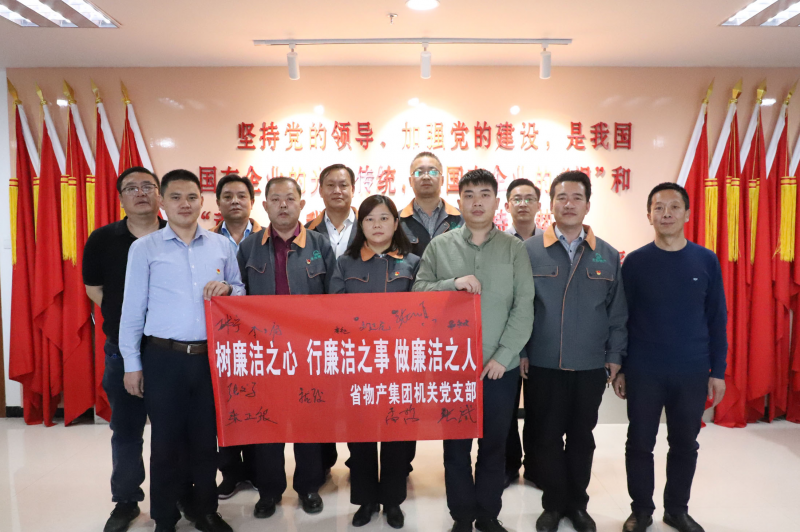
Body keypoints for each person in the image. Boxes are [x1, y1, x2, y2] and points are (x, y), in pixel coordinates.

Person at [119, 169, 244, 532]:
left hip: (209, 359)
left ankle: (205, 510)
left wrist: (228, 289)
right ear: (162, 202)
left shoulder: (222, 246)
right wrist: (132, 364)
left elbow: (240, 290)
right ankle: (165, 517)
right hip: (163, 359)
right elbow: (132, 310)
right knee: (166, 443)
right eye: (175, 197)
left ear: (202, 202)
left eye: (191, 197)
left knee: (206, 440)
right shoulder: (145, 248)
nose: (184, 204)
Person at [414, 169, 535, 532]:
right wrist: (451, 283)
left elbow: (524, 306)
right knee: (455, 449)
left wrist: (504, 355)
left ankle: (488, 514)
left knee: (494, 446)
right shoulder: (440, 246)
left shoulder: (514, 249)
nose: (477, 202)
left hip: (500, 369)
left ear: (497, 202)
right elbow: (418, 291)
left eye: (484, 195)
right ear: (459, 202)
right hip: (452, 367)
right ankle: (462, 516)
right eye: (469, 195)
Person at [613, 183, 726, 532]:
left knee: (685, 444)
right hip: (644, 370)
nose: (666, 214)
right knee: (639, 443)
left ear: (687, 214)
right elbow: (622, 318)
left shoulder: (706, 260)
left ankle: (676, 510)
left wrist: (718, 371)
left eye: (674, 207)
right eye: (658, 207)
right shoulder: (635, 262)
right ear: (649, 215)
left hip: (692, 370)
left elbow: (717, 318)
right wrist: (621, 366)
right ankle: (641, 511)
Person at [523, 171, 627, 532]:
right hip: (543, 362)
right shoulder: (529, 250)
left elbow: (618, 313)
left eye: (576, 197)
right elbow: (520, 307)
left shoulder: (606, 254)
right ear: (551, 204)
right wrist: (521, 351)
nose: (569, 204)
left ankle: (578, 505)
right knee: (547, 437)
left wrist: (614, 356)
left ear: (587, 204)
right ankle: (553, 505)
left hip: (589, 364)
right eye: (562, 197)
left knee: (583, 437)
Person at [236, 177, 336, 518]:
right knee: (268, 423)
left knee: (308, 423)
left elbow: (334, 297)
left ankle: (308, 487)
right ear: (264, 206)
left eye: (290, 199)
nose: (283, 205)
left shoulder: (320, 244)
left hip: (308, 352)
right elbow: (238, 296)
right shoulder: (249, 247)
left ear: (301, 205)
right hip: (265, 353)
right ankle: (269, 491)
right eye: (275, 199)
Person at [83, 167, 166, 532]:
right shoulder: (102, 239)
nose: (140, 193)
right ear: (120, 198)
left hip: (170, 351)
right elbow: (94, 288)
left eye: (148, 186)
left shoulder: (175, 234)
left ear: (159, 194)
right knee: (127, 430)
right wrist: (127, 320)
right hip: (121, 349)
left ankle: (176, 495)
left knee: (172, 431)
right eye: (131, 188)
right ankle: (126, 500)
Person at [329, 195, 419, 529]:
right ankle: (365, 500)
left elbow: (423, 312)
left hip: (399, 364)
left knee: (398, 435)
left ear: (396, 223)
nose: (377, 225)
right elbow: (335, 311)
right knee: (361, 435)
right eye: (369, 219)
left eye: (384, 218)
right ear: (361, 225)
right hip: (359, 365)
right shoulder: (345, 263)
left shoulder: (412, 263)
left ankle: (393, 501)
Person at [209, 173, 263, 500]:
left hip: (261, 339)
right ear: (217, 203)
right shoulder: (207, 242)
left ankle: (256, 471)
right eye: (227, 196)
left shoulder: (267, 239)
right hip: (222, 340)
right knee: (225, 405)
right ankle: (230, 472)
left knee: (257, 402)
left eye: (241, 195)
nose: (234, 201)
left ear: (252, 202)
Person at [304, 163, 357, 473]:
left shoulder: (371, 226)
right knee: (320, 398)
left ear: (353, 189)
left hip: (360, 332)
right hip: (318, 332)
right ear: (320, 190)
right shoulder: (306, 232)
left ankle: (358, 459)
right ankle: (323, 462)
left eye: (344, 185)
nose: (338, 191)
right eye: (331, 185)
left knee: (357, 397)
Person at [502, 178, 543, 489]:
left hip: (542, 340)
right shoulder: (499, 244)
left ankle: (537, 466)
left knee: (539, 410)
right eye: (517, 199)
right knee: (505, 410)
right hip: (506, 340)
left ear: (539, 205)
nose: (523, 204)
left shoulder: (549, 243)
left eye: (529, 198)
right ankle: (508, 465)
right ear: (507, 206)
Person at [400, 151, 462, 258]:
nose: (426, 177)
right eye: (419, 172)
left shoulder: (461, 219)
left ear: (442, 180)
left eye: (433, 172)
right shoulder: (397, 221)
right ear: (410, 181)